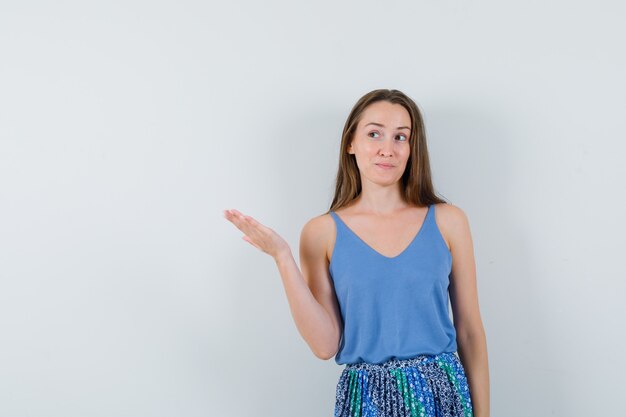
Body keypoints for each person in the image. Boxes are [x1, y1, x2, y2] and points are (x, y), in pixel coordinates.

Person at [223, 89, 490, 417]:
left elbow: (469, 332)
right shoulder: (322, 233)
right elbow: (324, 346)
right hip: (366, 400)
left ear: (412, 148)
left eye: (400, 137)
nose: (387, 149)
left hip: (440, 394)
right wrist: (282, 257)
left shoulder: (449, 221)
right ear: (351, 143)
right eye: (374, 133)